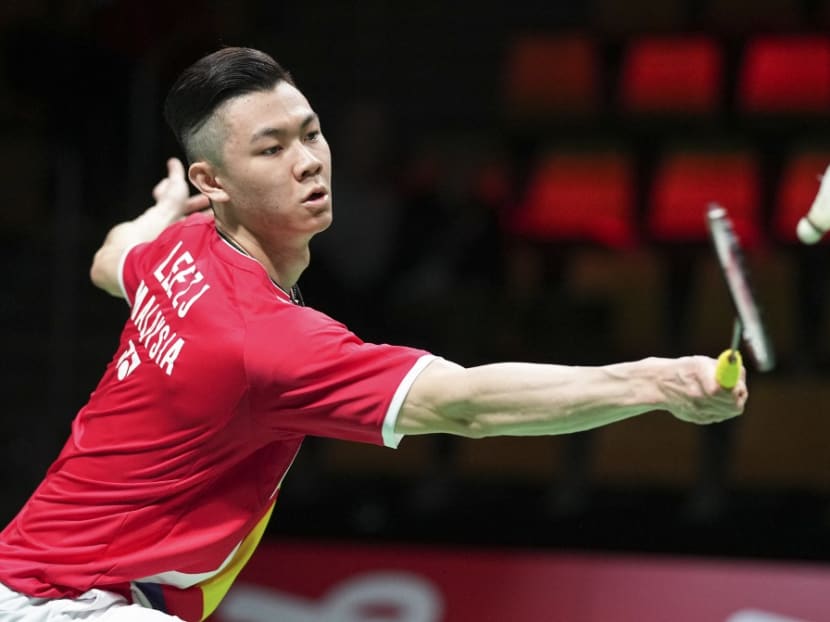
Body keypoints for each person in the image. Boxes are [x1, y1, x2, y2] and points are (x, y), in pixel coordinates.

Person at [0, 46, 748, 622]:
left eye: (310, 133)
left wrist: (165, 208)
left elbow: (109, 258)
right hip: (70, 602)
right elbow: (466, 403)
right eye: (271, 149)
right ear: (213, 180)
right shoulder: (265, 342)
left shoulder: (178, 251)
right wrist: (654, 384)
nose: (308, 162)